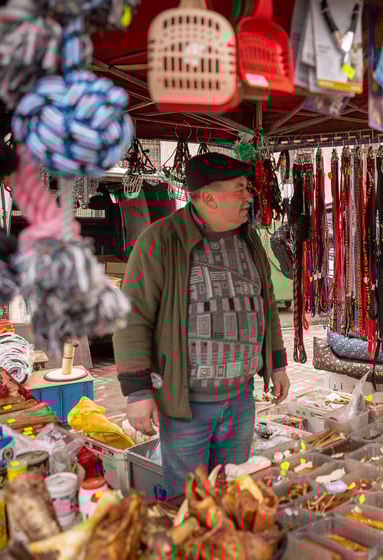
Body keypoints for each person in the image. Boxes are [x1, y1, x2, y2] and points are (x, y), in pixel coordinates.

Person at [113, 152, 290, 499]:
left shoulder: (250, 240)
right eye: (239, 189)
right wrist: (136, 391)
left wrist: (277, 364)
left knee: (232, 496)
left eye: (247, 188)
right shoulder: (160, 241)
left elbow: (266, 305)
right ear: (207, 197)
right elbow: (131, 317)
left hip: (240, 401)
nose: (249, 196)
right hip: (185, 408)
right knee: (192, 501)